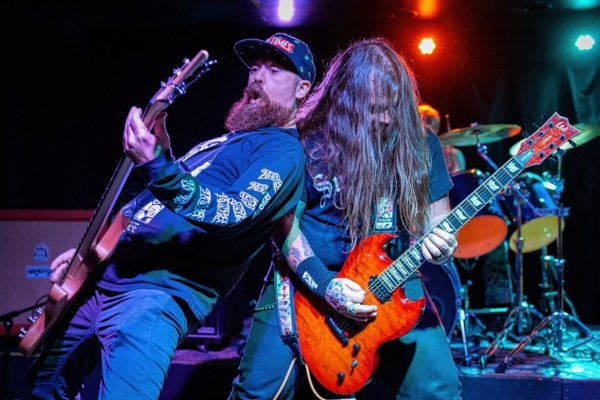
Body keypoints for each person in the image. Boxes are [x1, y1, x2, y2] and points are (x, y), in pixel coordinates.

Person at [28, 32, 315, 399]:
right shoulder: (227, 142)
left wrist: (158, 166)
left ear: (302, 89)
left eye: (275, 71)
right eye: (255, 67)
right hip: (108, 280)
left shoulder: (283, 152)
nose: (258, 76)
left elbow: (232, 213)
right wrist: (94, 255)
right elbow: (155, 207)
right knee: (44, 384)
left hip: (154, 296)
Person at [230, 37, 462, 399]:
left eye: (393, 107)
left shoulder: (420, 143)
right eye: (375, 109)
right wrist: (325, 285)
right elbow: (284, 227)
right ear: (345, 101)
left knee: (439, 390)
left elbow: (438, 225)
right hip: (305, 281)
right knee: (256, 392)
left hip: (390, 278)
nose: (386, 118)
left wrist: (443, 246)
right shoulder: (305, 140)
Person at [419, 104, 513, 309]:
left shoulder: (450, 152)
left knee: (498, 245)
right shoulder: (408, 155)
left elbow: (458, 187)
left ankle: (501, 309)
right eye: (422, 120)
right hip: (420, 226)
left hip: (454, 217)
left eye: (430, 122)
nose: (426, 125)